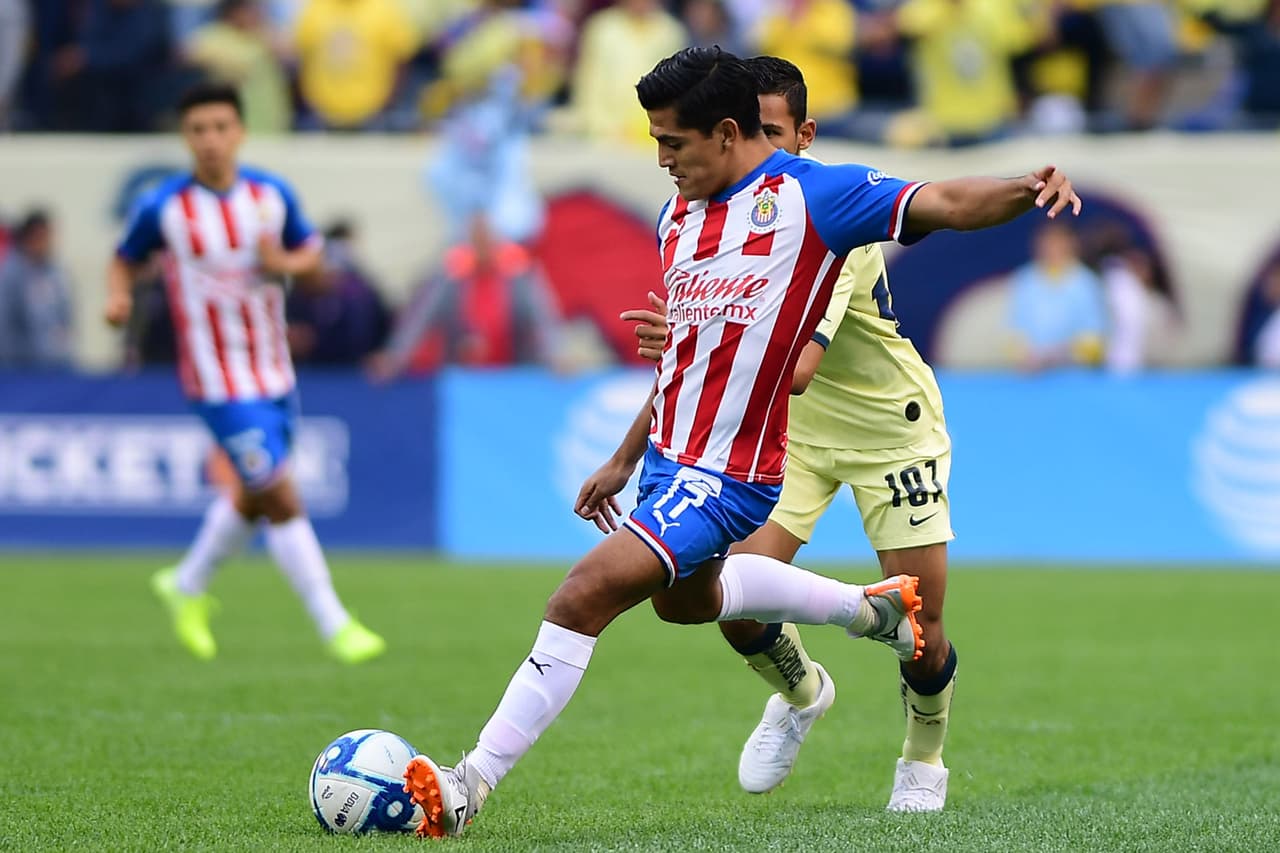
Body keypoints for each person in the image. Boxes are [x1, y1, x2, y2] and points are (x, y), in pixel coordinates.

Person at [400, 47, 1081, 838]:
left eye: (673, 142)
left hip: (780, 457)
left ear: (728, 133)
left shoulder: (816, 199)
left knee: (582, 595)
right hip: (682, 458)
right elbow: (691, 356)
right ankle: (859, 618)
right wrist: (626, 455)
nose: (662, 160)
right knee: (686, 603)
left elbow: (947, 201)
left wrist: (1025, 187)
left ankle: (469, 784)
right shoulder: (678, 218)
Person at [618, 55, 959, 811]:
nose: (757, 150)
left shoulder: (828, 221)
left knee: (920, 621)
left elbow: (795, 365)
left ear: (803, 136)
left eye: (772, 133)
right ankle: (804, 694)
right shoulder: (714, 222)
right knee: (732, 594)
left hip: (889, 431)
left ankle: (923, 758)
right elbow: (707, 367)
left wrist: (701, 326)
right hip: (789, 434)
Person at [105, 82, 386, 664]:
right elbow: (124, 258)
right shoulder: (164, 207)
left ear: (239, 132)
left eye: (220, 127)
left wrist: (284, 262)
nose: (210, 140)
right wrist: (118, 297)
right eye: (198, 130)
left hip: (274, 373)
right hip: (215, 380)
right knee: (279, 491)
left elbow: (314, 262)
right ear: (185, 137)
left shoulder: (270, 195)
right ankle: (334, 622)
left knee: (256, 494)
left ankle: (185, 583)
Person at [1007, 221, 1107, 372]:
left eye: (1058, 242)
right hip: (1033, 375)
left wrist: (1063, 354)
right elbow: (1014, 331)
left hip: (1074, 374)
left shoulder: (1086, 282)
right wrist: (1026, 356)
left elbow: (1095, 335)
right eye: (1047, 242)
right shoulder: (1025, 280)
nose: (1052, 248)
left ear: (1072, 244)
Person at [0, 210, 74, 369]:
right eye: (42, 237)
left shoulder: (56, 274)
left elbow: (66, 319)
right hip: (18, 367)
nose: (47, 242)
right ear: (29, 237)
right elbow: (4, 324)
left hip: (55, 365)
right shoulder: (10, 274)